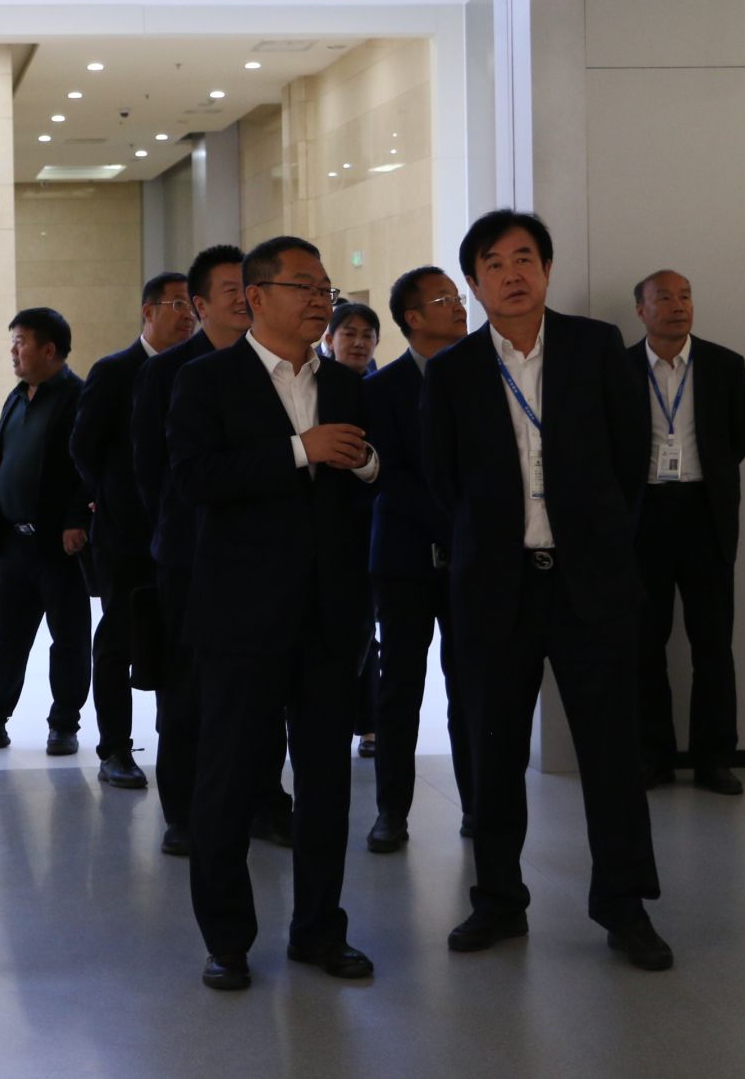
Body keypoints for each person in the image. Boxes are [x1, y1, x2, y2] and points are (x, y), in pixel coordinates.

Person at [423, 210, 672, 971]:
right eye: (493, 264)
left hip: (589, 583)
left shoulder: (595, 348)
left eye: (524, 258)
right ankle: (498, 900)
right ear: (475, 283)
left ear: (547, 269)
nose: (512, 274)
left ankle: (624, 905)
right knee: (494, 751)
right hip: (497, 588)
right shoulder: (453, 371)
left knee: (611, 751)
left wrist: (595, 540)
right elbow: (443, 482)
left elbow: (630, 458)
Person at [170, 235, 379, 991]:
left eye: (326, 287)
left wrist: (365, 462)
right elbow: (195, 478)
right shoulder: (206, 380)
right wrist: (301, 449)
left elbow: (380, 468)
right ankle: (227, 940)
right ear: (256, 297)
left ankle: (320, 930)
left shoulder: (350, 383)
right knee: (229, 781)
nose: (321, 299)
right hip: (241, 617)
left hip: (330, 615)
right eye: (304, 286)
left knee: (325, 785)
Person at [133, 244, 284, 856]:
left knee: (263, 687)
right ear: (199, 305)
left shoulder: (274, 365)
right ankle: (185, 812)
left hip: (263, 558)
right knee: (188, 689)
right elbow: (151, 470)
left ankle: (265, 802)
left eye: (251, 287)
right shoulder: (168, 372)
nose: (246, 298)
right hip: (190, 558)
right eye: (231, 290)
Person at [0, 308, 93, 754]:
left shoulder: (79, 397)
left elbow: (90, 467)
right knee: (5, 639)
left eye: (20, 342)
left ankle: (64, 725)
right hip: (13, 544)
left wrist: (76, 520)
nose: (12, 351)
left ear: (49, 349)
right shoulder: (17, 397)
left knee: (68, 639)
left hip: (58, 546)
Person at [630, 269, 745, 796]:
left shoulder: (725, 365)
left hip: (705, 514)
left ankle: (714, 760)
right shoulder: (618, 369)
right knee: (643, 642)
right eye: (664, 297)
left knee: (713, 643)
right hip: (644, 516)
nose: (678, 305)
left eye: (685, 296)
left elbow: (740, 438)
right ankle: (652, 757)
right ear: (642, 310)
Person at [362, 266, 473, 852]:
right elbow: (388, 476)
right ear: (412, 318)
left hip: (473, 559)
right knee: (399, 690)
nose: (458, 305)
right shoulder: (380, 389)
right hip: (405, 559)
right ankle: (391, 812)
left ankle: (478, 806)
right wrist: (453, 523)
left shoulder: (483, 376)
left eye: (458, 296)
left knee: (472, 686)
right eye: (444, 298)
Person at [69, 271, 195, 789]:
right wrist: (109, 496)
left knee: (179, 643)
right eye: (177, 305)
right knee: (118, 643)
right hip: (125, 536)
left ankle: (178, 743)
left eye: (192, 307)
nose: (187, 316)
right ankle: (115, 749)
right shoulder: (115, 371)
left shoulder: (198, 369)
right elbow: (83, 446)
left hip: (182, 535)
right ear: (148, 311)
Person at [325, 302, 383, 753]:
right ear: (329, 340)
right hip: (325, 529)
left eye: (367, 335)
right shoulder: (318, 388)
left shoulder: (381, 389)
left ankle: (369, 723)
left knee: (364, 629)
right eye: (349, 333)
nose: (359, 343)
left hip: (371, 528)